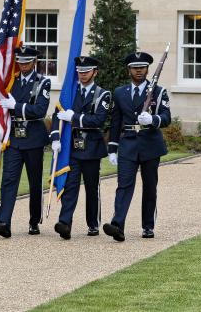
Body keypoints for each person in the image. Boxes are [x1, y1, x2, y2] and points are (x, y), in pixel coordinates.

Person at [103, 51, 171, 242]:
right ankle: (117, 225)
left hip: (150, 143)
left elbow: (167, 117)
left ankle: (148, 226)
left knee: (149, 187)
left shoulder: (158, 91)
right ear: (129, 70)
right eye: (135, 67)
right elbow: (115, 122)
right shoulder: (119, 92)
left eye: (142, 67)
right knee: (123, 186)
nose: (139, 70)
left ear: (148, 69)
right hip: (128, 144)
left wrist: (153, 119)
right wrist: (113, 147)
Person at [0, 46, 51, 238]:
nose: (23, 65)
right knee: (9, 180)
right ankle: (3, 221)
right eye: (20, 62)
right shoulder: (11, 82)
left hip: (33, 137)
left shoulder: (43, 83)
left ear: (34, 62)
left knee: (34, 183)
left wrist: (17, 106)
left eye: (27, 62)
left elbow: (40, 110)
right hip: (14, 137)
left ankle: (34, 221)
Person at [51, 56, 111, 240]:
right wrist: (55, 137)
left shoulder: (103, 94)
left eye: (86, 71)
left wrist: (75, 117)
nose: (83, 75)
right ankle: (65, 223)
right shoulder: (70, 91)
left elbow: (99, 120)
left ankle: (92, 223)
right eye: (80, 72)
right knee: (70, 186)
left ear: (95, 72)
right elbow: (57, 114)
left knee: (92, 188)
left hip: (92, 147)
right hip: (72, 147)